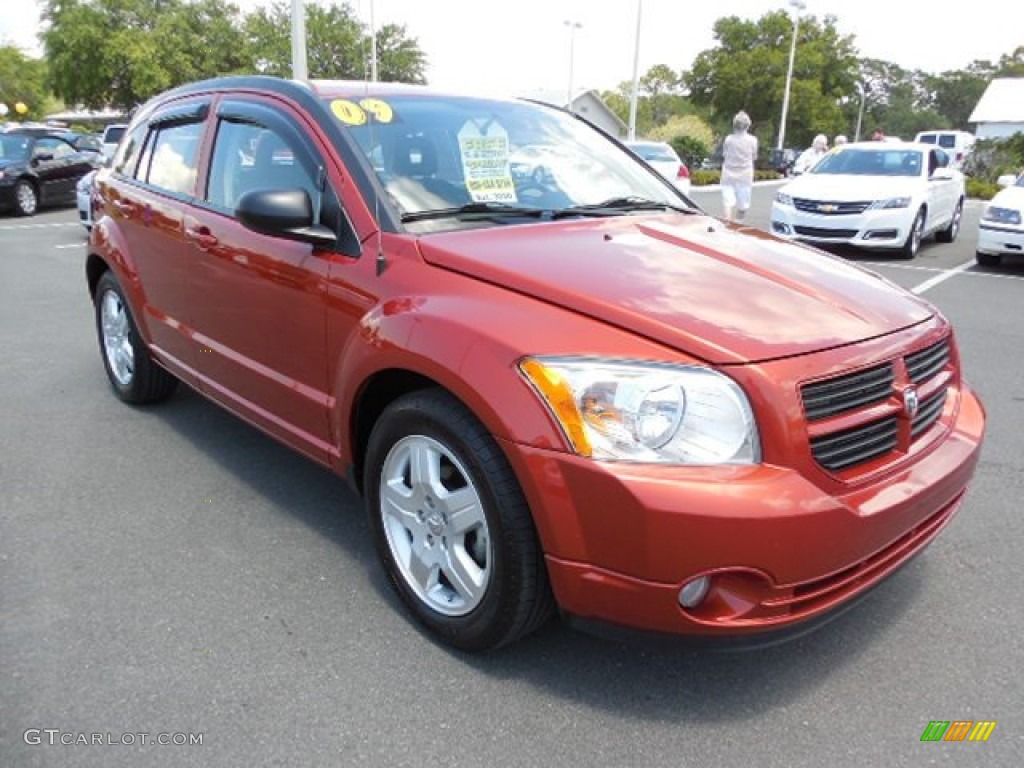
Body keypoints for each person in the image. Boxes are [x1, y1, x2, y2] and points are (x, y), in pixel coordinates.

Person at [720, 111, 757, 222]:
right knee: (743, 204)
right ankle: (738, 223)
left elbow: (724, 154)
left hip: (728, 173)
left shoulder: (729, 139)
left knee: (728, 202)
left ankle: (727, 221)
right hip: (745, 175)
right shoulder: (753, 140)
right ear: (748, 125)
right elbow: (754, 156)